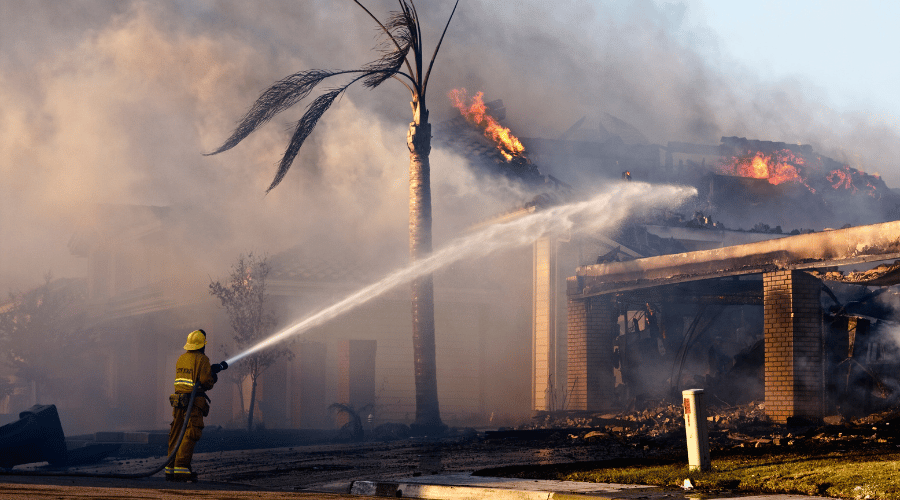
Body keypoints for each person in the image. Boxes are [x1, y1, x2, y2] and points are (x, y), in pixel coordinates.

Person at [165, 329, 220, 482]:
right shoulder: (202, 359)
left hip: (179, 402)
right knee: (190, 434)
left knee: (176, 433)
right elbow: (205, 381)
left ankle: (170, 468)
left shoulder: (181, 358)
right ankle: (181, 468)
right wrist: (212, 377)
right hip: (193, 403)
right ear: (202, 345)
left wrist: (209, 371)